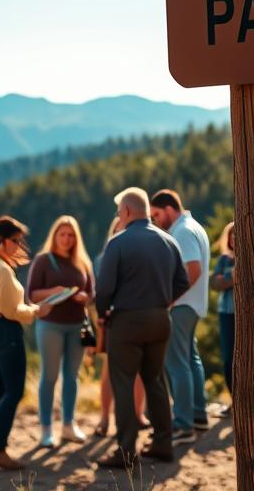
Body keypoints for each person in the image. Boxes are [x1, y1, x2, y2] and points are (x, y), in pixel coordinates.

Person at [94, 187, 189, 469]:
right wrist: (163, 303)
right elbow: (182, 281)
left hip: (127, 321)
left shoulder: (118, 242)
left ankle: (126, 451)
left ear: (125, 212)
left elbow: (104, 288)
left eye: (118, 212)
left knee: (123, 383)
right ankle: (163, 444)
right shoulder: (168, 241)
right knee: (156, 381)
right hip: (160, 319)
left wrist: (102, 314)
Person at [0, 216, 53, 471]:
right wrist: (35, 312)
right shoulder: (2, 270)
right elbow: (11, 311)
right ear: (1, 240)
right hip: (6, 331)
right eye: (15, 241)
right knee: (13, 391)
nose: (19, 246)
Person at [26, 215, 95, 447]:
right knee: (50, 376)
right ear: (54, 236)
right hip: (50, 324)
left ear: (77, 238)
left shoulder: (83, 262)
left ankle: (68, 425)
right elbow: (31, 294)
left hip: (77, 324)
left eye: (71, 235)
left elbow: (92, 293)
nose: (66, 239)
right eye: (62, 234)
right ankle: (46, 428)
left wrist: (85, 297)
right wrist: (52, 292)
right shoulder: (43, 260)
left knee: (72, 377)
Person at [150, 189, 211, 444]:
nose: (154, 220)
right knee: (189, 359)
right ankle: (198, 415)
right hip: (194, 305)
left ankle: (183, 424)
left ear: (168, 209)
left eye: (156, 214)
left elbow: (193, 269)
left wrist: (171, 298)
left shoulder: (183, 231)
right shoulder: (193, 226)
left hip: (182, 306)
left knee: (176, 364)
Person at [94, 216, 148, 438]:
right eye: (118, 229)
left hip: (136, 317)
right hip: (110, 318)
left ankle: (138, 414)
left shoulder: (140, 254)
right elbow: (101, 289)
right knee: (108, 371)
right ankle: (105, 418)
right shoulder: (103, 257)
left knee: (139, 370)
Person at [210, 221, 235, 416]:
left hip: (245, 316)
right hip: (226, 312)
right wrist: (231, 279)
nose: (234, 238)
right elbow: (215, 283)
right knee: (228, 358)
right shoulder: (224, 260)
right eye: (231, 235)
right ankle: (234, 400)